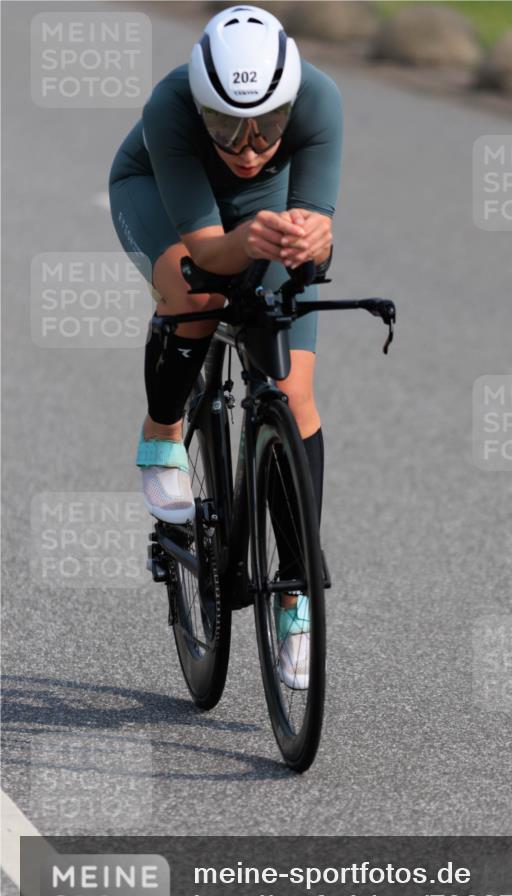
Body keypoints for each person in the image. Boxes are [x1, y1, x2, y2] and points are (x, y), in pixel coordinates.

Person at [108, 5, 343, 688]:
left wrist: (312, 237)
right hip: (160, 196)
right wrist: (259, 240)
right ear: (201, 106)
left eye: (267, 127)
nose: (246, 148)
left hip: (263, 218)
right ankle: (160, 436)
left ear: (290, 103)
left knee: (293, 392)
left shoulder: (321, 99)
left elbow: (319, 222)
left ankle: (296, 599)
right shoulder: (171, 106)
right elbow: (208, 254)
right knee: (194, 296)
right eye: (226, 128)